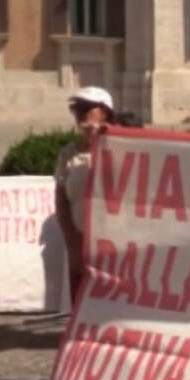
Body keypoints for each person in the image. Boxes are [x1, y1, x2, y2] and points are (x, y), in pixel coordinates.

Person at [55, 86, 115, 308]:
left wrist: (105, 138)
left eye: (86, 107)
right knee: (82, 307)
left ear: (104, 112)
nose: (79, 113)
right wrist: (72, 243)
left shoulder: (122, 149)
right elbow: (61, 201)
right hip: (81, 244)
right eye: (76, 108)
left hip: (114, 247)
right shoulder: (68, 154)